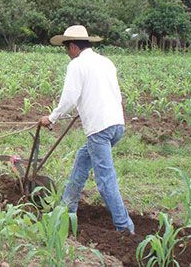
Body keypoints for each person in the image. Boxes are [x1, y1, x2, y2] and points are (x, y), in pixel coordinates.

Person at [39, 25, 135, 234]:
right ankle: (65, 209)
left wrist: (51, 118)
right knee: (83, 159)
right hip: (117, 124)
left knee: (105, 180)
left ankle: (125, 228)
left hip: (99, 129)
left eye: (67, 49)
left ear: (73, 47)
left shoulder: (77, 65)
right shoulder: (106, 62)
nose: (67, 54)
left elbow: (70, 98)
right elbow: (112, 94)